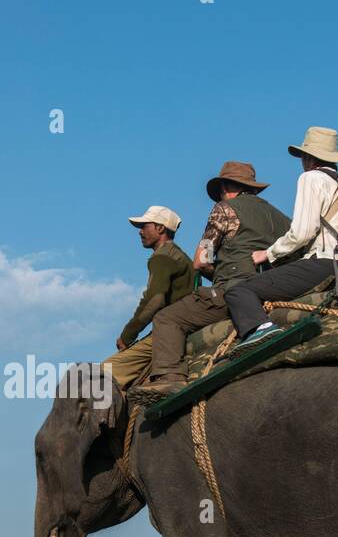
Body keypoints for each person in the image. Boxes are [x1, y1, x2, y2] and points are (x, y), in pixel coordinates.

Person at [128, 161, 291, 402]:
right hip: (273, 287)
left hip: (233, 289)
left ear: (225, 187)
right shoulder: (281, 218)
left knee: (167, 318)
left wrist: (222, 274)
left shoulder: (224, 209)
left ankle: (169, 378)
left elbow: (201, 261)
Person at [223, 126, 338, 357]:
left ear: (307, 157)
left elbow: (302, 232)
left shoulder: (311, 178)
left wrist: (268, 254)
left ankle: (261, 330)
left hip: (327, 264)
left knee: (239, 291)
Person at [103, 205, 194, 388]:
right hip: (184, 323)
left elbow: (154, 301)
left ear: (160, 228)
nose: (140, 232)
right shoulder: (180, 255)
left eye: (145, 226)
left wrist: (127, 336)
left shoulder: (161, 257)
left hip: (169, 331)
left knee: (102, 373)